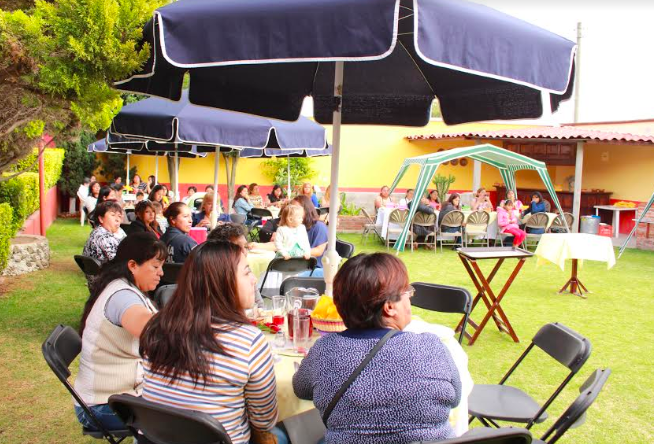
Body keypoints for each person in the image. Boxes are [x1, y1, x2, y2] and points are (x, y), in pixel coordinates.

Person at [293, 253, 461, 444]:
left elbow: (300, 388)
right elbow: (455, 399)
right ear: (389, 307)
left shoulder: (325, 351)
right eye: (408, 292)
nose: (410, 300)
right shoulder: (432, 347)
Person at [140, 241, 286, 444]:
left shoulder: (157, 325)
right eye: (246, 272)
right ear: (222, 282)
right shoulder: (248, 341)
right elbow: (264, 421)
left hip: (155, 438)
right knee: (284, 434)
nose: (254, 280)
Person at [74, 233, 167, 432]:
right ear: (133, 265)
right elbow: (154, 333)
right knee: (185, 414)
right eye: (155, 266)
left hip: (117, 397)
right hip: (102, 406)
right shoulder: (122, 296)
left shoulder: (124, 287)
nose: (161, 273)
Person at [207, 223, 265, 308]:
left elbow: (260, 306)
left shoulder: (246, 273)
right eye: (236, 248)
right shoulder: (213, 278)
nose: (244, 252)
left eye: (245, 247)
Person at [291, 195, 328, 277]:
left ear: (306, 209)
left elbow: (318, 251)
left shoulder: (319, 226)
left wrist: (294, 252)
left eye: (296, 208)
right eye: (291, 207)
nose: (293, 211)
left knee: (284, 275)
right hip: (297, 264)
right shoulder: (295, 226)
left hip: (314, 268)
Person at [83, 201, 124, 265]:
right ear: (101, 219)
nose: (117, 219)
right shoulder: (103, 236)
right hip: (106, 273)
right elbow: (117, 261)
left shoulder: (98, 231)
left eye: (119, 216)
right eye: (113, 215)